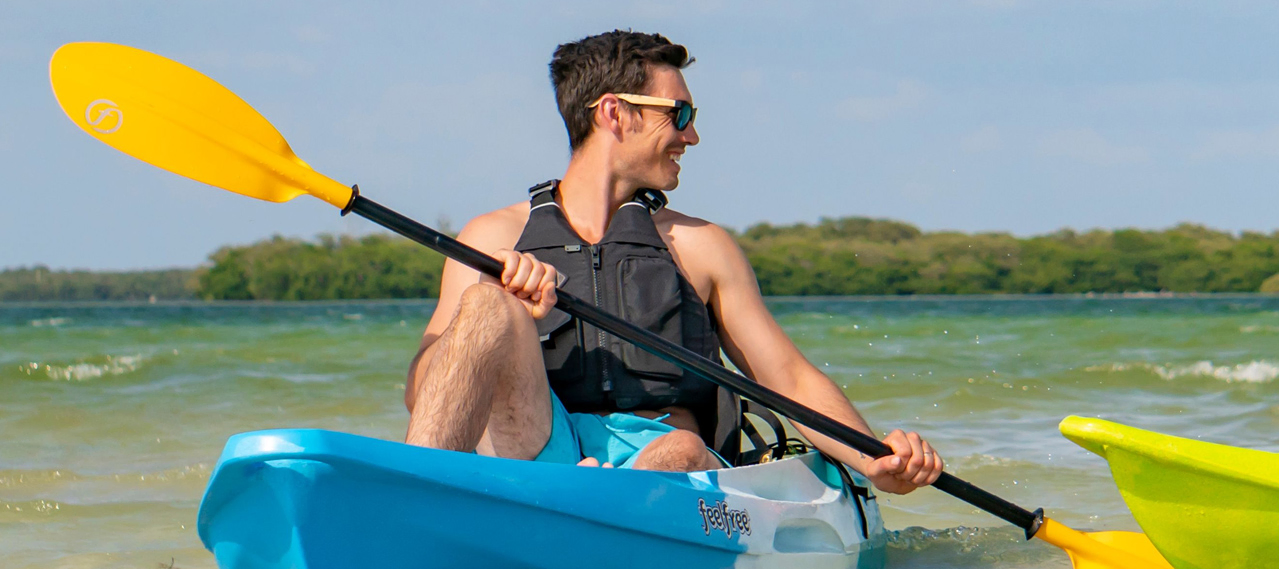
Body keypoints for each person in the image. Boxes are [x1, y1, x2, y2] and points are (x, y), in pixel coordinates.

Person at [402, 30, 945, 493]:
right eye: (679, 114)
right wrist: (510, 304)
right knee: (484, 305)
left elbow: (787, 379)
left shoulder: (701, 246)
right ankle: (409, 505)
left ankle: (603, 521)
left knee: (678, 449)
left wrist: (872, 458)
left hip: (667, 472)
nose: (692, 134)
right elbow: (423, 392)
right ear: (615, 113)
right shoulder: (492, 237)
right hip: (545, 459)